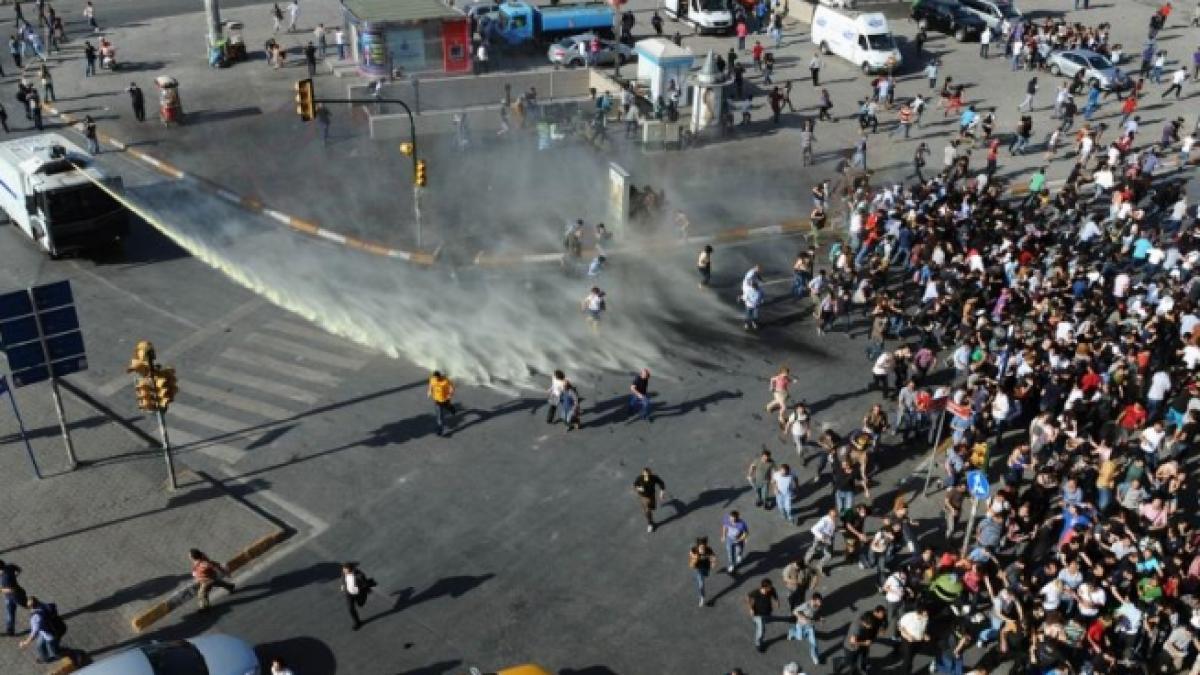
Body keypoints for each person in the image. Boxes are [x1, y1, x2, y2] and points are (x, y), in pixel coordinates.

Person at [18, 596, 61, 664]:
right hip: (54, 628)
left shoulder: (35, 617)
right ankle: (45, 657)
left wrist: (25, 643)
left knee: (53, 648)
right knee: (40, 645)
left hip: (49, 634)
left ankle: (57, 656)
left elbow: (34, 633)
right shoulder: (43, 605)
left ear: (31, 607)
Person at [787, 591, 823, 665]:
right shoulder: (806, 605)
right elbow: (794, 611)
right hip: (801, 625)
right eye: (819, 601)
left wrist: (820, 619)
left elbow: (814, 615)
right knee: (799, 638)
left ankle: (814, 656)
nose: (820, 603)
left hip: (810, 626)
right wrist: (802, 617)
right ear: (814, 600)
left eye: (820, 601)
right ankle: (792, 632)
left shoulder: (817, 607)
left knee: (814, 643)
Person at [747, 578, 779, 652]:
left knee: (762, 624)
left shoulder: (771, 590)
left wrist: (777, 601)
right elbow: (748, 597)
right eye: (769, 587)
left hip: (767, 613)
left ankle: (758, 624)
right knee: (761, 630)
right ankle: (758, 644)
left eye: (771, 587)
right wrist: (751, 608)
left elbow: (774, 594)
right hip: (758, 614)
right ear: (764, 587)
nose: (771, 588)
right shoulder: (756, 592)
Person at [632, 467, 667, 533]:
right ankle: (650, 524)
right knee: (647, 510)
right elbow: (635, 485)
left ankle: (649, 518)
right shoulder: (640, 478)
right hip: (644, 497)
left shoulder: (653, 478)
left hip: (651, 495)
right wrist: (639, 488)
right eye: (645, 475)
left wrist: (662, 492)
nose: (646, 476)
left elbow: (661, 483)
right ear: (643, 474)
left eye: (647, 475)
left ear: (650, 474)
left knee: (651, 508)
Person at [340, 562, 373, 630]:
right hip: (349, 594)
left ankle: (364, 596)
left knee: (360, 604)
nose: (344, 573)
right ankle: (357, 622)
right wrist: (343, 585)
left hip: (359, 593)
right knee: (350, 608)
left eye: (346, 571)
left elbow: (364, 584)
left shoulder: (359, 576)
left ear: (352, 570)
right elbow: (343, 579)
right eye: (344, 570)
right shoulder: (344, 572)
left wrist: (367, 589)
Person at [688, 537, 717, 606]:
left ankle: (703, 577)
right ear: (698, 546)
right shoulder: (694, 550)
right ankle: (702, 597)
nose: (702, 549)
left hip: (706, 567)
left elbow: (713, 557)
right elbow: (691, 561)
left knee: (705, 575)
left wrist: (713, 562)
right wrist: (695, 558)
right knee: (701, 584)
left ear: (706, 545)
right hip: (698, 569)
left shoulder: (708, 550)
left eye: (703, 547)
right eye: (701, 547)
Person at [0, 559, 25, 636]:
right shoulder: (10, 566)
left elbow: (11, 590)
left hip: (14, 596)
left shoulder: (5, 578)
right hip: (16, 593)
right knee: (10, 612)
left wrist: (0, 590)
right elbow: (19, 570)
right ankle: (10, 630)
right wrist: (14, 577)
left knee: (27, 605)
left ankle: (45, 611)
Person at [426, 370, 456, 437]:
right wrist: (429, 391)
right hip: (437, 401)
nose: (436, 380)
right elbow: (431, 385)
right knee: (439, 417)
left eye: (437, 378)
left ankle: (451, 408)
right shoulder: (433, 379)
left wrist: (450, 394)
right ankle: (440, 430)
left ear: (440, 377)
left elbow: (451, 388)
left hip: (445, 400)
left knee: (448, 407)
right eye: (435, 378)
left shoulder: (445, 380)